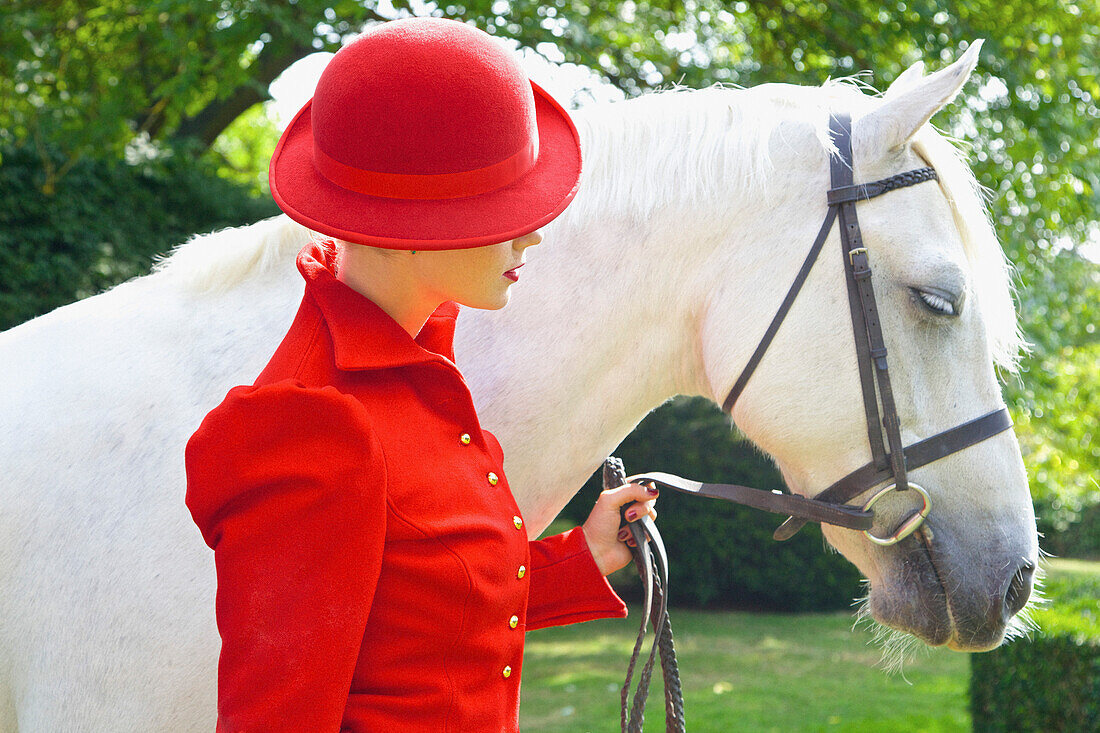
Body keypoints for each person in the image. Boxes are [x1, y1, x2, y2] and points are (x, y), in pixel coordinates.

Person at [184, 16, 658, 733]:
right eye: (504, 210)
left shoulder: (419, 360)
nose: (532, 232)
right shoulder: (310, 424)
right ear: (412, 230)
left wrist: (583, 554)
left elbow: (426, 615)